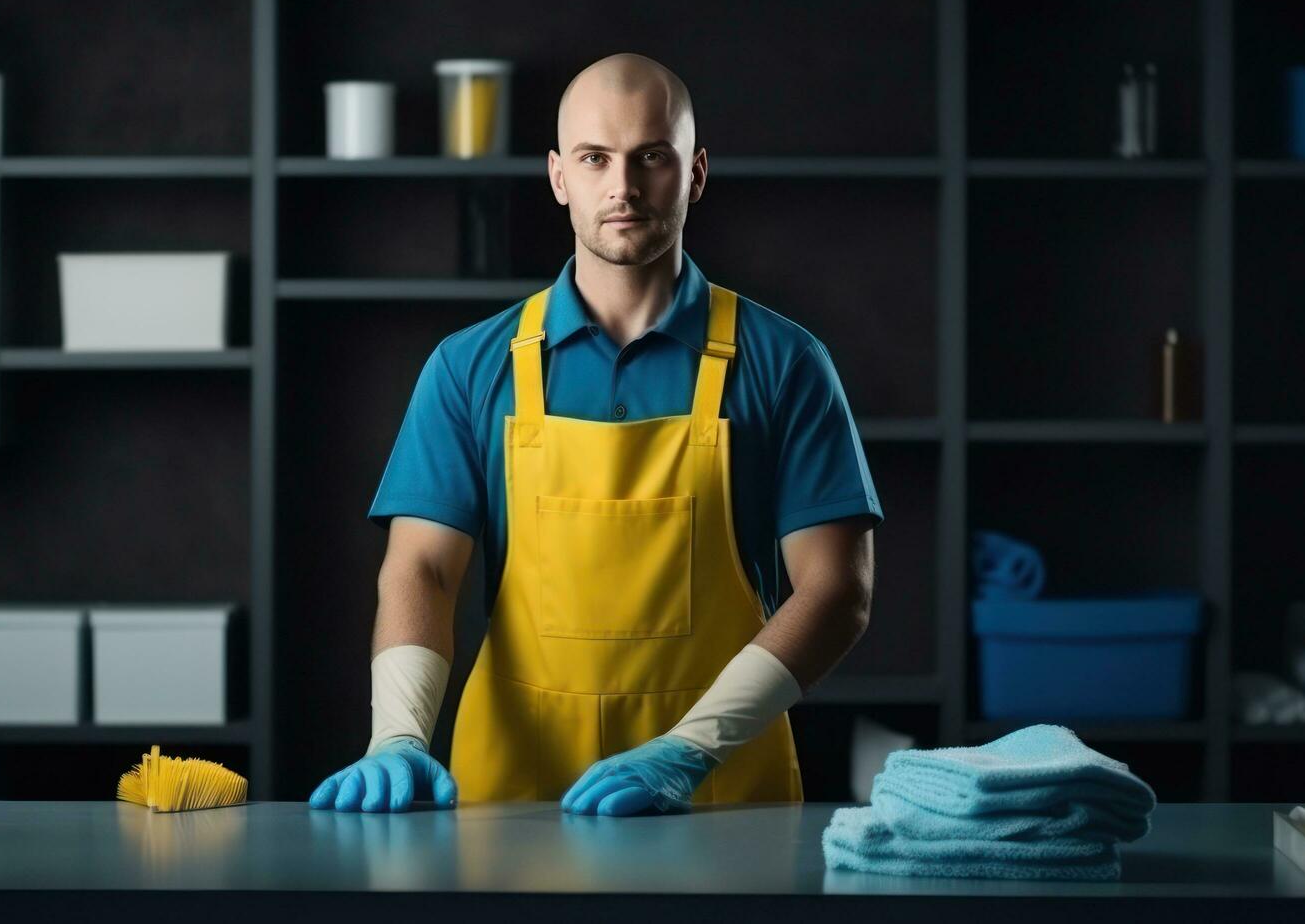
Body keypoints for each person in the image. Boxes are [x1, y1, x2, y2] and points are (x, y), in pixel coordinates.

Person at [309, 53, 882, 817]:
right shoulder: (469, 367)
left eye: (652, 156)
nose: (623, 186)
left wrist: (693, 748)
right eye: (594, 158)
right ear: (557, 176)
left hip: (717, 791)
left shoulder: (785, 363)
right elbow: (423, 569)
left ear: (696, 173)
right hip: (510, 792)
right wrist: (399, 736)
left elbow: (837, 588)